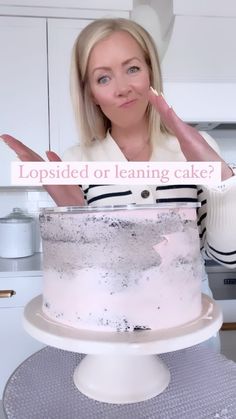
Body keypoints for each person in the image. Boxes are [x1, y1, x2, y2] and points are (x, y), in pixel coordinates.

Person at [1, 18, 236, 348]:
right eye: (103, 77)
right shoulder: (76, 160)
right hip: (110, 319)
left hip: (190, 319)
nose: (122, 87)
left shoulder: (198, 149)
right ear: (91, 94)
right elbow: (86, 273)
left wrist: (224, 185)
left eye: (133, 69)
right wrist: (77, 216)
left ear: (151, 72)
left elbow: (230, 259)